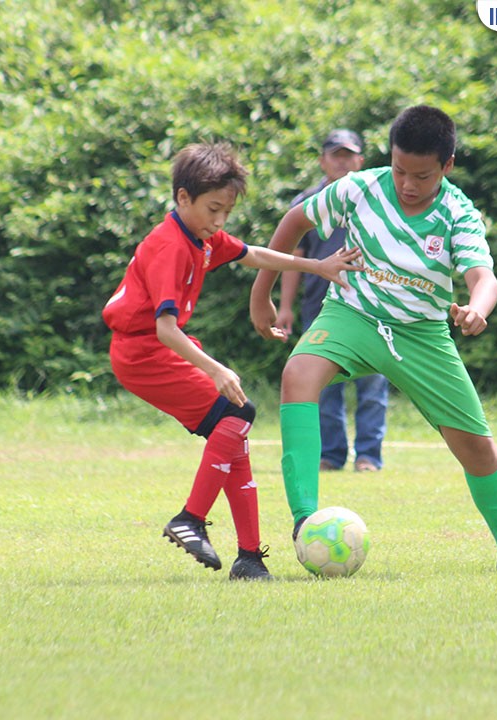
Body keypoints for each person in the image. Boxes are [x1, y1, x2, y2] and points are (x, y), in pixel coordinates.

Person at [250, 106, 497, 571]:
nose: (408, 184)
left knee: (475, 445)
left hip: (422, 335)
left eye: (422, 175)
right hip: (352, 314)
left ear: (447, 167)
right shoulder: (357, 188)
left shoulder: (457, 212)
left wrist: (478, 308)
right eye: (399, 170)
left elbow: (483, 275)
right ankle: (305, 522)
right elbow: (295, 222)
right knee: (297, 375)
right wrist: (261, 293)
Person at [103, 142, 361, 581]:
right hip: (145, 353)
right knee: (240, 411)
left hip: (156, 348)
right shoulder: (170, 247)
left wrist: (317, 266)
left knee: (233, 432)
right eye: (213, 209)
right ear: (183, 198)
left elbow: (254, 255)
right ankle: (190, 518)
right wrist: (216, 369)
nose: (219, 221)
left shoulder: (199, 237)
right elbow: (166, 329)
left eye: (226, 212)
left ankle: (249, 558)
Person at [274, 129, 389, 473]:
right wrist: (284, 305)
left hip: (371, 307)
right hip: (319, 308)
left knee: (372, 385)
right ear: (322, 160)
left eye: (348, 155)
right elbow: (292, 258)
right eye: (335, 154)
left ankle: (368, 456)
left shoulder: (378, 202)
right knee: (321, 385)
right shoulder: (307, 203)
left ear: (361, 161)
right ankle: (331, 455)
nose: (342, 161)